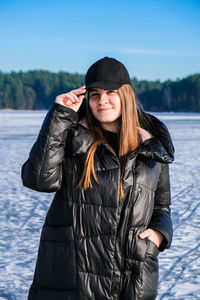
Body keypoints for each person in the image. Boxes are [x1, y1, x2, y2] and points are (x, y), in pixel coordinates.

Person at [22, 57, 174, 300]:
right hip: (74, 276)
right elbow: (39, 179)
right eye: (95, 94)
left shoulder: (151, 146)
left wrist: (158, 234)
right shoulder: (73, 138)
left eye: (111, 92)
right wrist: (60, 115)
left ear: (125, 95)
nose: (102, 100)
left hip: (132, 273)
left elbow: (162, 204)